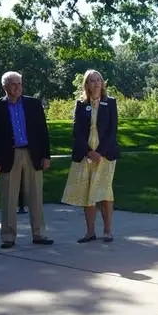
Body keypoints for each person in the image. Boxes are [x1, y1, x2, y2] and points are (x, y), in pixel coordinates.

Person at [0, 71, 54, 249]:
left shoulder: (33, 104)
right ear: (4, 86)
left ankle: (39, 234)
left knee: (36, 196)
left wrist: (46, 155)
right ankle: (8, 237)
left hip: (32, 154)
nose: (17, 87)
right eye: (13, 84)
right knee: (9, 198)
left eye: (19, 83)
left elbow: (42, 132)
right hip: (9, 156)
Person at [61, 69, 120, 243]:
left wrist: (99, 153)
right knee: (88, 192)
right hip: (85, 153)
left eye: (98, 80)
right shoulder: (80, 104)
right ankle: (90, 232)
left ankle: (107, 231)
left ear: (102, 84)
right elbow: (76, 131)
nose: (95, 84)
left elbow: (112, 131)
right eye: (92, 81)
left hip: (105, 155)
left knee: (105, 191)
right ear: (86, 84)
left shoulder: (110, 103)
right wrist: (88, 151)